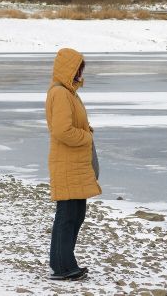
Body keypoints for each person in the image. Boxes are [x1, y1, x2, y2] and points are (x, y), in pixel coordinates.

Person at [45, 48, 102, 281]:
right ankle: (61, 267)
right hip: (66, 163)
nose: (80, 72)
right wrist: (86, 136)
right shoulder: (60, 93)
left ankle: (66, 262)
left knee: (76, 214)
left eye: (82, 68)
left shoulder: (70, 93)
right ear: (68, 69)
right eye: (78, 68)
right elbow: (61, 130)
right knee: (67, 215)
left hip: (75, 163)